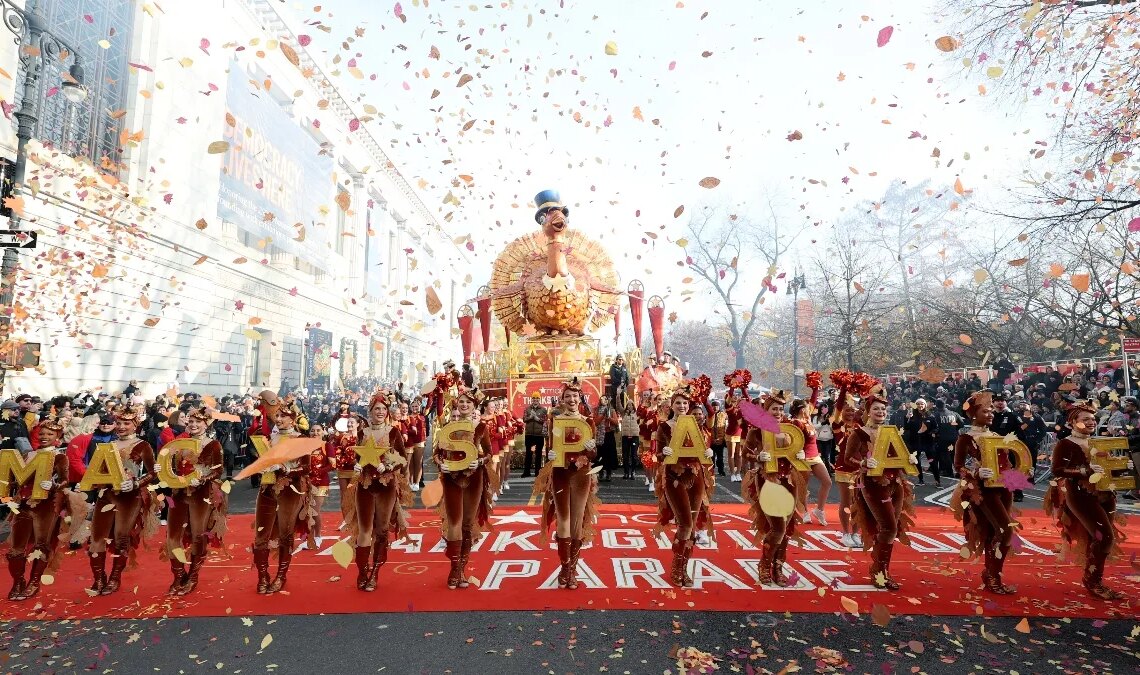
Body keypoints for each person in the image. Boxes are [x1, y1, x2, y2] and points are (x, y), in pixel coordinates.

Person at [1044, 403, 1130, 600]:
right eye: (1085, 419)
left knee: (1098, 538)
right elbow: (1057, 470)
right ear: (1073, 422)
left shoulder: (1098, 442)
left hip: (1106, 494)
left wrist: (1124, 466)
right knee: (1104, 536)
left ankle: (1093, 578)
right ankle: (1093, 580)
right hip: (1081, 494)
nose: (1091, 422)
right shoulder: (1066, 443)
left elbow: (1108, 468)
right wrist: (1084, 471)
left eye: (1093, 419)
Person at [5, 417, 84, 601]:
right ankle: (18, 581)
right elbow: (16, 479)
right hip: (24, 505)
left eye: (49, 434)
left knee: (41, 545)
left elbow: (66, 480)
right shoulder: (28, 455)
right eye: (41, 433)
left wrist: (54, 485)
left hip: (47, 506)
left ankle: (34, 581)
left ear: (57, 437)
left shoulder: (60, 456)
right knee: (16, 550)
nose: (44, 437)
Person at [848, 382, 917, 590]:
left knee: (890, 529)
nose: (880, 412)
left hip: (896, 483)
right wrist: (862, 462)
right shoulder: (859, 433)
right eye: (876, 408)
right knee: (889, 527)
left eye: (883, 409)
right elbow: (848, 457)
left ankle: (881, 571)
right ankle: (879, 573)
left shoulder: (891, 432)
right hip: (873, 484)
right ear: (868, 411)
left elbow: (899, 457)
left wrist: (910, 460)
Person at [533, 378, 600, 590]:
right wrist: (550, 454)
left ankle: (572, 569)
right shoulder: (554, 421)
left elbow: (594, 454)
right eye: (567, 396)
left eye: (575, 396)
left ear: (580, 398)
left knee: (577, 522)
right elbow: (550, 448)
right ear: (562, 400)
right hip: (560, 474)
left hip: (581, 476)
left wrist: (590, 449)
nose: (572, 399)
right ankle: (565, 567)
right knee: (563, 520)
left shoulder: (588, 421)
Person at [950, 392, 1017, 595]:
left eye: (991, 411)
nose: (990, 414)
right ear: (973, 414)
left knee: (994, 533)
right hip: (982, 491)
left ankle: (991, 575)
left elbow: (1008, 464)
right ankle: (992, 576)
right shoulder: (966, 438)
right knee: (1005, 532)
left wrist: (1021, 473)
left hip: (1003, 489)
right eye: (984, 411)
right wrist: (976, 472)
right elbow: (958, 466)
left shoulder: (997, 437)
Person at [87, 405, 158, 595]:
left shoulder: (143, 445)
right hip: (106, 495)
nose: (121, 426)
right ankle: (99, 577)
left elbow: (152, 473)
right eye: (118, 423)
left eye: (126, 423)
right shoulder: (106, 445)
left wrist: (136, 484)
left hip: (130, 498)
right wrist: (90, 484)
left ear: (135, 425)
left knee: (121, 538)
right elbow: (95, 471)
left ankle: (115, 577)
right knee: (96, 539)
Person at [346, 391, 409, 592]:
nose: (380, 412)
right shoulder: (362, 433)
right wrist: (356, 466)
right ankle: (362, 571)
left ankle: (375, 573)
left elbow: (403, 459)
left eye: (383, 409)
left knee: (381, 530)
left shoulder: (393, 433)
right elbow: (358, 457)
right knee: (364, 530)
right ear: (370, 411)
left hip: (385, 487)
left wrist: (388, 467)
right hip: (365, 485)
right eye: (376, 409)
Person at [741, 389, 805, 586]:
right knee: (777, 526)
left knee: (786, 528)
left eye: (780, 409)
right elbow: (745, 454)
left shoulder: (792, 428)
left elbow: (802, 448)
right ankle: (764, 565)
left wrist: (801, 456)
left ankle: (778, 568)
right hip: (767, 480)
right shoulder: (756, 431)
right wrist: (758, 457)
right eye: (774, 409)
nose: (777, 412)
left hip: (789, 481)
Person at [433, 386, 494, 590]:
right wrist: (440, 463)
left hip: (473, 478)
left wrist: (481, 462)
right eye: (461, 402)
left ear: (474, 405)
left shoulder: (481, 427)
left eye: (468, 402)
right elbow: (436, 453)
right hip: (451, 478)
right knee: (454, 523)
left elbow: (489, 453)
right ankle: (453, 568)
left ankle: (461, 568)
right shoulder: (447, 429)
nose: (465, 405)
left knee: (467, 524)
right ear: (456, 405)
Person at [162, 405, 227, 595]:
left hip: (202, 495)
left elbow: (218, 470)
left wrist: (204, 479)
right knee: (172, 537)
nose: (193, 424)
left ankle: (193, 576)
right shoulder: (178, 444)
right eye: (190, 421)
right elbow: (172, 468)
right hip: (179, 495)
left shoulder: (213, 444)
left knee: (198, 535)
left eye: (197, 422)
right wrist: (162, 470)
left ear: (206, 424)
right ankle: (178, 574)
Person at [654, 382, 715, 587]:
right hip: (674, 479)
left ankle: (683, 569)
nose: (681, 406)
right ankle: (676, 567)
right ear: (671, 406)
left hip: (696, 477)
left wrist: (709, 453)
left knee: (692, 527)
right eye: (678, 403)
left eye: (685, 403)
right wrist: (663, 453)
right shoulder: (664, 427)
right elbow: (657, 454)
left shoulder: (698, 428)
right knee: (685, 524)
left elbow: (705, 454)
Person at [251, 407, 311, 594]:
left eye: (283, 416)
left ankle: (281, 576)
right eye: (276, 415)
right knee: (261, 534)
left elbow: (306, 468)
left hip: (290, 490)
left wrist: (286, 470)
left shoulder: (300, 440)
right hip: (267, 488)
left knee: (285, 534)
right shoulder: (268, 439)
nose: (278, 419)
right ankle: (262, 576)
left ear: (292, 419)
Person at [903, 398, 938, 485]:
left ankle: (937, 481)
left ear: (925, 405)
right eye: (918, 404)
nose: (920, 405)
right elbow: (907, 427)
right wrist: (906, 418)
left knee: (932, 462)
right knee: (917, 461)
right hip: (916, 442)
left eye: (922, 404)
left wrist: (932, 433)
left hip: (927, 442)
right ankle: (921, 480)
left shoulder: (930, 415)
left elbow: (936, 428)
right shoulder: (912, 415)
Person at [931, 399, 961, 487]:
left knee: (945, 455)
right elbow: (961, 424)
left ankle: (949, 472)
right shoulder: (953, 413)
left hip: (942, 438)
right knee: (954, 455)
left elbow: (932, 427)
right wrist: (953, 429)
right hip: (954, 438)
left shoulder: (936, 415)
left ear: (936, 406)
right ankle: (959, 472)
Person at [594, 394, 619, 482]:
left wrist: (610, 419)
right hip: (600, 435)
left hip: (608, 435)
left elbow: (616, 422)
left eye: (605, 399)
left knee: (609, 454)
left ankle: (609, 473)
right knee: (600, 454)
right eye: (602, 399)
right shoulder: (597, 410)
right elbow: (595, 422)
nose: (603, 401)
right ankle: (600, 472)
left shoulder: (611, 410)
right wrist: (602, 416)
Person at [522, 393, 548, 478]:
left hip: (539, 435)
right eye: (534, 399)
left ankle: (538, 472)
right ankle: (527, 472)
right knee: (528, 454)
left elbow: (545, 420)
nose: (535, 401)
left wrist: (537, 418)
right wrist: (530, 417)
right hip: (529, 434)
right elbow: (524, 419)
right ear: (532, 400)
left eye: (537, 399)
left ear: (539, 400)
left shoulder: (543, 409)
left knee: (539, 454)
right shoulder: (527, 409)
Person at [406, 398, 428, 491]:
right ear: (410, 407)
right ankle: (411, 482)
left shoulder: (423, 417)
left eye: (416, 406)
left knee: (418, 463)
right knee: (410, 464)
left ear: (419, 407)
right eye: (413, 406)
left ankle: (417, 482)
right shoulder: (407, 417)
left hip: (420, 442)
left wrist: (425, 439)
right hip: (410, 443)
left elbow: (425, 430)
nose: (415, 408)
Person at [619, 397, 641, 479]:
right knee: (625, 456)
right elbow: (618, 405)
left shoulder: (637, 413)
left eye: (631, 405)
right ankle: (626, 472)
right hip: (625, 437)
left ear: (633, 406)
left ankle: (633, 472)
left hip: (634, 437)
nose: (629, 406)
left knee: (634, 455)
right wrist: (618, 395)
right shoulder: (623, 413)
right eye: (628, 405)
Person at [709, 399, 728, 477]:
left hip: (720, 440)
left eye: (716, 406)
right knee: (711, 457)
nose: (715, 408)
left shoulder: (724, 415)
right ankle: (711, 471)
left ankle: (721, 470)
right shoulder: (709, 415)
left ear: (719, 406)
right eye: (713, 406)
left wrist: (724, 438)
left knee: (720, 457)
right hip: (711, 440)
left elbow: (726, 427)